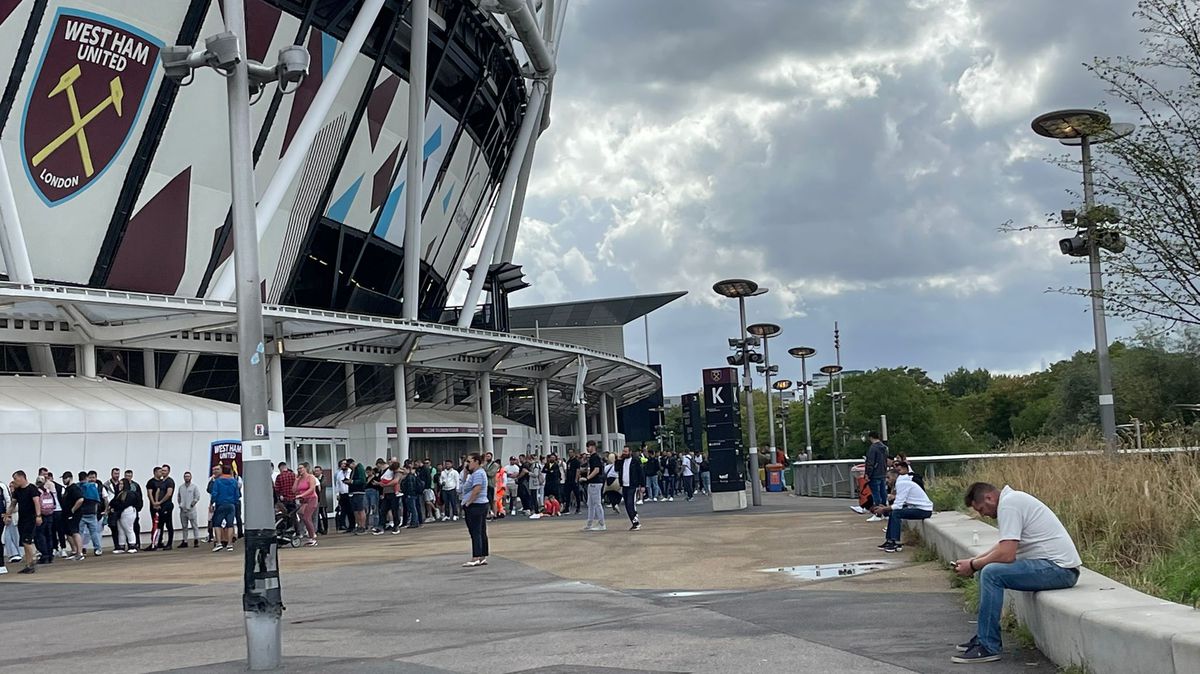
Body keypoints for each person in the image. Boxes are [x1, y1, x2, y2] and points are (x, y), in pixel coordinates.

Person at [951, 482, 1082, 664]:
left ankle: (988, 646)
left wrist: (973, 565)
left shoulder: (1010, 504)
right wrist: (974, 563)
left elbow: (1006, 554)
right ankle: (984, 635)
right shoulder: (1012, 500)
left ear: (989, 498)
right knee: (984, 572)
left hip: (1060, 570)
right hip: (1054, 567)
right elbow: (1002, 546)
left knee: (990, 573)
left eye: (981, 509)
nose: (983, 515)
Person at [875, 465, 933, 553]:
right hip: (917, 508)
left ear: (895, 476)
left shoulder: (901, 483)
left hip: (924, 510)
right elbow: (899, 503)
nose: (887, 480)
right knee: (893, 512)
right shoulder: (902, 482)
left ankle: (895, 542)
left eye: (888, 477)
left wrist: (883, 509)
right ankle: (890, 540)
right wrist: (886, 508)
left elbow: (898, 506)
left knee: (896, 513)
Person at [5, 471, 42, 573]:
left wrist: (38, 515)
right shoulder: (17, 491)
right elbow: (13, 504)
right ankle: (28, 563)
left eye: (16, 479)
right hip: (22, 519)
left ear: (22, 478)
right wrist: (8, 514)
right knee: (24, 542)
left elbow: (36, 502)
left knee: (27, 541)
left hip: (31, 518)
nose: (14, 481)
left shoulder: (32, 489)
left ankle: (32, 560)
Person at [460, 452, 490, 567]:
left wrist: (469, 502)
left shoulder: (478, 473)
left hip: (476, 505)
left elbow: (477, 489)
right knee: (480, 531)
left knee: (475, 531)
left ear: (476, 462)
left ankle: (476, 556)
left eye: (469, 461)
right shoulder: (474, 474)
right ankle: (482, 556)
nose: (467, 464)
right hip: (480, 504)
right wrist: (465, 473)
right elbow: (463, 486)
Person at [209, 465, 241, 552]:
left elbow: (214, 493)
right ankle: (230, 544)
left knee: (217, 524)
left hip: (221, 504)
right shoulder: (234, 481)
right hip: (231, 505)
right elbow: (237, 494)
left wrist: (212, 503)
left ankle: (219, 543)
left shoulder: (218, 481)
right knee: (230, 524)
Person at [616, 446, 644, 530]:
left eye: (626, 451)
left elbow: (641, 473)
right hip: (624, 485)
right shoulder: (622, 461)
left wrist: (642, 485)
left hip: (632, 485)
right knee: (627, 506)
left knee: (630, 503)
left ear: (630, 452)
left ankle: (636, 522)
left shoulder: (635, 461)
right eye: (623, 451)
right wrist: (618, 459)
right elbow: (616, 468)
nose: (624, 453)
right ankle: (634, 520)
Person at [864, 432, 889, 522]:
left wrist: (867, 474)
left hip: (874, 474)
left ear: (871, 437)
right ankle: (886, 513)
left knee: (875, 494)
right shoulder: (884, 448)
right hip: (882, 472)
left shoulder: (873, 448)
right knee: (883, 493)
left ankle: (878, 513)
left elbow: (870, 462)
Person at [110, 478, 140, 554]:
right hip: (121, 513)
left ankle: (132, 545)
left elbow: (125, 503)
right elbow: (113, 502)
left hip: (128, 512)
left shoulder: (130, 494)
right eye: (119, 484)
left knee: (128, 528)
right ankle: (121, 546)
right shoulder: (119, 493)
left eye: (122, 484)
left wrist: (116, 507)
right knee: (121, 530)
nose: (120, 485)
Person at [582, 440, 606, 531]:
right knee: (591, 504)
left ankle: (602, 523)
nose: (587, 449)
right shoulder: (592, 457)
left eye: (588, 447)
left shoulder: (595, 457)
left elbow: (596, 470)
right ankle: (589, 523)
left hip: (595, 482)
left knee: (596, 504)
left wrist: (587, 478)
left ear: (593, 447)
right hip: (592, 483)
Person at [61, 472, 85, 560]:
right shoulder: (67, 489)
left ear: (70, 478)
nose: (63, 480)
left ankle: (80, 553)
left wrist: (73, 510)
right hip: (66, 514)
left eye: (65, 478)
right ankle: (74, 551)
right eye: (63, 478)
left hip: (74, 514)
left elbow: (81, 499)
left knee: (75, 532)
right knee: (68, 532)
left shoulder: (74, 488)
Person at [295, 464, 319, 547]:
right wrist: (296, 480)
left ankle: (312, 537)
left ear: (306, 468)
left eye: (301, 468)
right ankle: (309, 532)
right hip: (304, 501)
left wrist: (302, 495)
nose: (299, 470)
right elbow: (294, 489)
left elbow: (312, 489)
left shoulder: (311, 477)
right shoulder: (300, 478)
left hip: (312, 499)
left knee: (306, 518)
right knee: (301, 514)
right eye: (298, 468)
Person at [153, 465, 176, 550]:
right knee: (160, 524)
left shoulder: (170, 481)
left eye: (165, 471)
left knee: (169, 524)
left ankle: (169, 543)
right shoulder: (161, 481)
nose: (163, 472)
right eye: (162, 471)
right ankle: (159, 542)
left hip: (167, 505)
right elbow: (158, 491)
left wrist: (161, 501)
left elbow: (169, 493)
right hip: (160, 506)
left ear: (168, 471)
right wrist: (156, 502)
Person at [177, 471, 201, 548]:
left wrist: (192, 504)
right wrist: (180, 504)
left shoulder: (194, 487)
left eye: (188, 476)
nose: (187, 478)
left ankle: (196, 539)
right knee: (184, 526)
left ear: (191, 477)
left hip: (191, 510)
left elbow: (197, 497)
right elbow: (179, 497)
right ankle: (185, 541)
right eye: (185, 476)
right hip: (183, 510)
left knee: (194, 525)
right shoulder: (181, 487)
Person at [563, 450, 583, 514]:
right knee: (567, 494)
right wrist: (566, 478)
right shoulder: (568, 461)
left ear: (574, 453)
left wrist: (576, 479)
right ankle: (567, 508)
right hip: (568, 480)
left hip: (574, 480)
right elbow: (567, 470)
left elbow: (578, 470)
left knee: (577, 494)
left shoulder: (576, 461)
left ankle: (578, 508)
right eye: (569, 453)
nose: (570, 454)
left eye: (571, 452)